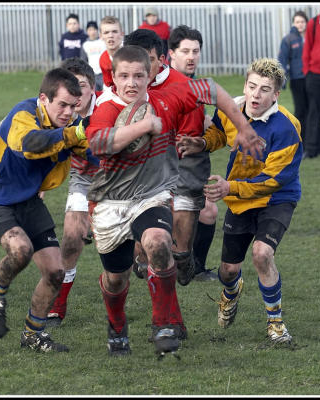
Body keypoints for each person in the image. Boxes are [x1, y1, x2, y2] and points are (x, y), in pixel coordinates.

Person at [85, 44, 262, 357]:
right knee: (115, 278)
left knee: (158, 243)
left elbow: (212, 89)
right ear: (112, 77)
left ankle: (164, 324)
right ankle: (117, 326)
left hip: (151, 196)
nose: (131, 83)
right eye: (123, 75)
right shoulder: (106, 107)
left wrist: (244, 127)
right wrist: (145, 126)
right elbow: (100, 143)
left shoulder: (166, 98)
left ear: (150, 73)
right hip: (111, 203)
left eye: (139, 75)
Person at [177, 58, 302, 344]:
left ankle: (275, 323)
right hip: (240, 201)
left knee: (261, 254)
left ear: (276, 95)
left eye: (265, 89)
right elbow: (220, 133)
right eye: (252, 86)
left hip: (276, 199)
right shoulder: (232, 110)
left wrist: (229, 186)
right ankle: (231, 292)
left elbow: (274, 179)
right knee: (228, 270)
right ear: (245, 85)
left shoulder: (286, 128)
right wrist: (203, 143)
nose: (256, 95)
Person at [0, 68, 88, 352]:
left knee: (56, 271)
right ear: (43, 98)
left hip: (29, 200)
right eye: (62, 104)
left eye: (74, 106)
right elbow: (28, 144)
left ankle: (33, 335)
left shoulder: (74, 126)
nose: (68, 112)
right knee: (20, 250)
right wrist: (72, 134)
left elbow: (94, 154)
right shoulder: (24, 114)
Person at [123, 27, 216, 286]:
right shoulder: (123, 83)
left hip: (181, 157)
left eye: (147, 60)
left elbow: (189, 139)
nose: (139, 67)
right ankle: (141, 255)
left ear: (161, 59)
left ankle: (184, 255)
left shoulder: (182, 86)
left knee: (188, 198)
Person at [46, 58, 101, 327]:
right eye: (69, 87)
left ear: (93, 87)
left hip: (122, 177)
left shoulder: (110, 106)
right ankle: (58, 305)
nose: (75, 94)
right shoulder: (56, 115)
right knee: (70, 238)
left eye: (80, 86)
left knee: (138, 250)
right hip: (83, 176)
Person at [168, 25, 218, 281]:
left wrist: (208, 125)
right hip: (172, 163)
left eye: (195, 51)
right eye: (185, 51)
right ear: (171, 54)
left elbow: (197, 118)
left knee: (208, 212)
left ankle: (193, 267)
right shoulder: (165, 85)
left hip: (195, 160)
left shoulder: (197, 86)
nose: (191, 56)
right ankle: (161, 265)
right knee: (170, 217)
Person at [278, 11, 308, 153]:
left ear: (306, 23)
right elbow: (282, 60)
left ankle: (313, 143)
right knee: (300, 111)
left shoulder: (311, 37)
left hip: (311, 78)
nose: (300, 24)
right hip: (297, 79)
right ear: (293, 23)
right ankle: (300, 142)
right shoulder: (289, 39)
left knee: (313, 112)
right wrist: (282, 80)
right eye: (297, 22)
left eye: (302, 21)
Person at [301, 4, 320, 159]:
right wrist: (307, 72)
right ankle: (312, 148)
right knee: (314, 112)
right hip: (315, 75)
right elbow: (307, 49)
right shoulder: (313, 23)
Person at [98, 16, 124, 89]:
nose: (110, 36)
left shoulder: (133, 54)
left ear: (122, 34)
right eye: (106, 32)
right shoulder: (103, 59)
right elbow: (109, 86)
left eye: (114, 31)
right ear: (101, 36)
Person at [80, 21, 107, 91]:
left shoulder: (103, 42)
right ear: (87, 31)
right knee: (94, 95)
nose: (92, 32)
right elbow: (84, 61)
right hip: (92, 75)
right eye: (90, 30)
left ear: (97, 30)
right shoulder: (85, 45)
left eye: (94, 29)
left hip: (103, 74)